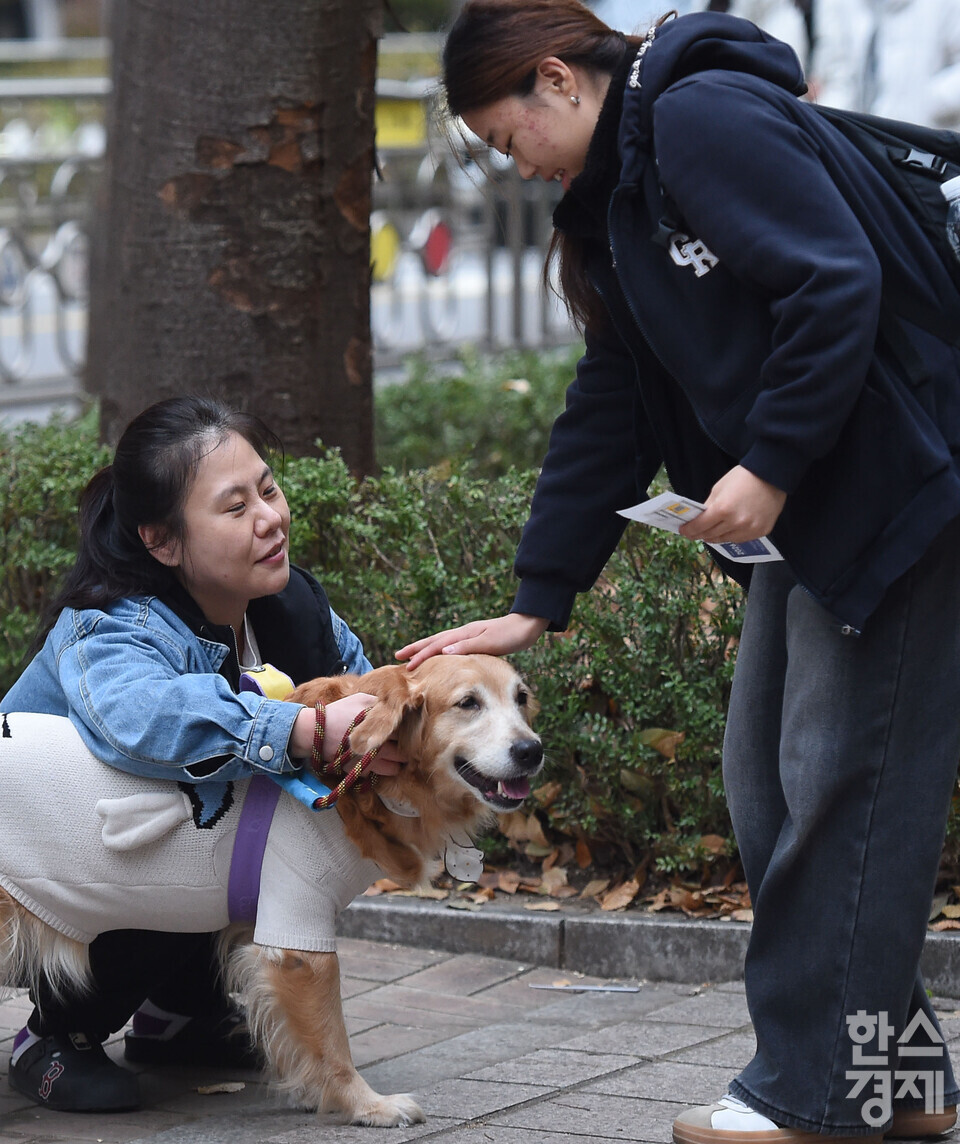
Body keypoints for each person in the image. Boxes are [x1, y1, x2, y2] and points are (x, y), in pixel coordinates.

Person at [398, 2, 960, 1141]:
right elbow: (614, 395)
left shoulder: (697, 118)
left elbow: (833, 279)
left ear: (555, 78)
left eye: (508, 138)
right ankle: (899, 1082)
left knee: (842, 788)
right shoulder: (615, 195)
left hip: (902, 494)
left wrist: (769, 461)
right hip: (816, 516)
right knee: (767, 787)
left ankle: (808, 1091)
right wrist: (535, 597)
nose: (515, 163)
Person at [1, 394, 402, 1113]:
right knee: (179, 821)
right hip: (58, 873)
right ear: (162, 540)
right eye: (234, 505)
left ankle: (178, 1018)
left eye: (269, 489)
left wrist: (391, 732)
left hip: (184, 869)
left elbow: (357, 686)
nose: (271, 518)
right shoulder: (112, 625)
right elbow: (140, 721)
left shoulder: (290, 606)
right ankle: (56, 1033)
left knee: (239, 830)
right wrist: (301, 732)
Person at [811, 0, 960, 131]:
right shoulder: (842, 6)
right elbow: (841, 76)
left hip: (924, 141)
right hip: (863, 140)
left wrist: (930, 101)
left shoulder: (944, 5)